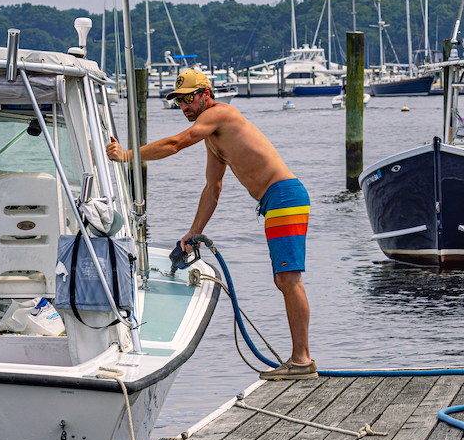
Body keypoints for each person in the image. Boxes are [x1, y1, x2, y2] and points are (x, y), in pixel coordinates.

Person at [107, 69, 315, 380]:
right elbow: (212, 188)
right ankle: (301, 359)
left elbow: (176, 143)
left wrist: (126, 155)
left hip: (284, 196)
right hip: (276, 200)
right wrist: (193, 232)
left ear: (206, 94)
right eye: (179, 102)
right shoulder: (214, 138)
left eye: (189, 98)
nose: (185, 107)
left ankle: (302, 361)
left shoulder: (221, 115)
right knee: (284, 280)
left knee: (288, 279)